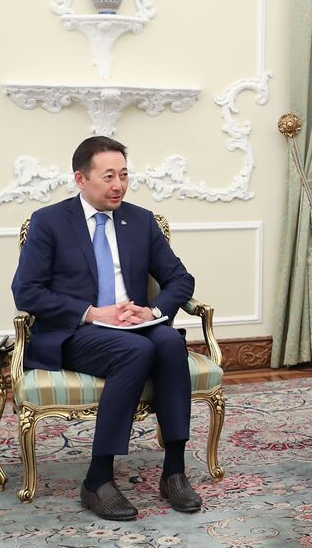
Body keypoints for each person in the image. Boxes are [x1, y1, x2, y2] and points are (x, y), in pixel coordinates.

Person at [12, 136, 200, 521]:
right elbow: (26, 291)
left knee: (168, 342)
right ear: (81, 179)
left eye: (124, 175)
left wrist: (151, 311)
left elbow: (181, 279)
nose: (119, 185)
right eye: (109, 176)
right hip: (76, 331)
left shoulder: (140, 221)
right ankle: (98, 479)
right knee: (138, 350)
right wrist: (92, 313)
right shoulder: (49, 221)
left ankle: (174, 471)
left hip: (133, 325)